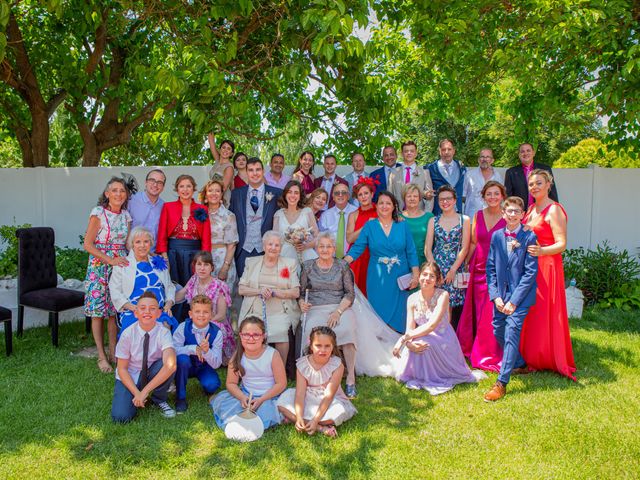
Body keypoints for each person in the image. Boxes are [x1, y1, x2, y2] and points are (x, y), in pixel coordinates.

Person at [519, 169, 576, 380]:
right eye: (531, 184)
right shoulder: (531, 209)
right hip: (530, 266)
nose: (534, 187)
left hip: (547, 267)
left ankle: (548, 356)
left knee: (544, 312)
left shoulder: (554, 210)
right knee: (530, 312)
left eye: (538, 183)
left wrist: (542, 251)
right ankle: (531, 356)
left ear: (548, 184)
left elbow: (561, 244)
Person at [393, 262, 483, 395]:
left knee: (425, 344)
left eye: (431, 276)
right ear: (419, 276)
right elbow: (409, 328)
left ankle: (435, 374)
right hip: (422, 334)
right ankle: (420, 375)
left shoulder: (443, 295)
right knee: (417, 344)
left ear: (437, 280)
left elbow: (431, 326)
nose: (427, 279)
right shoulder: (411, 299)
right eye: (424, 274)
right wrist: (409, 343)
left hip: (443, 338)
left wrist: (402, 340)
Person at [484, 196, 539, 401]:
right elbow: (491, 269)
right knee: (498, 329)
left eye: (517, 211)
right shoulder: (497, 236)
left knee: (511, 332)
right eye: (509, 211)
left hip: (520, 297)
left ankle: (501, 383)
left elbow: (530, 273)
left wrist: (513, 301)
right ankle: (520, 363)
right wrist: (496, 296)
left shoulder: (529, 237)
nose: (513, 214)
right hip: (501, 296)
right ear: (503, 213)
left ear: (523, 215)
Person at [344, 191, 419, 333]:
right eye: (381, 203)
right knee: (378, 311)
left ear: (394, 207)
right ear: (376, 206)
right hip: (377, 278)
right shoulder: (370, 226)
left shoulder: (403, 225)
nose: (384, 206)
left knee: (399, 313)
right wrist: (344, 262)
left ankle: (399, 345)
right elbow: (358, 247)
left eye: (388, 203)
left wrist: (415, 275)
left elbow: (411, 251)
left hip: (399, 277)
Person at [299, 233, 358, 398]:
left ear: (334, 249)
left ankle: (350, 378)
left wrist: (338, 312)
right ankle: (313, 376)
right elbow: (301, 292)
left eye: (328, 246)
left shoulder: (342, 266)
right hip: (316, 307)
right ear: (316, 249)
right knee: (311, 330)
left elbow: (350, 294)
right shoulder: (307, 266)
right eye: (321, 246)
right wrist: (301, 303)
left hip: (340, 307)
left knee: (347, 329)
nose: (325, 250)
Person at [456, 181, 506, 372]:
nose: (492, 197)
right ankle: (472, 346)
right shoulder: (477, 216)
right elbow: (473, 243)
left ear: (502, 196)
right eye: (489, 194)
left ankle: (490, 352)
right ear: (483, 197)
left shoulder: (508, 215)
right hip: (478, 267)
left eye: (496, 194)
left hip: (500, 269)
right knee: (477, 310)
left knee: (491, 311)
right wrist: (466, 264)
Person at [83, 176, 132, 373]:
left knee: (114, 310)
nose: (118, 194)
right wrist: (109, 260)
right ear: (107, 193)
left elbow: (127, 243)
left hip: (119, 264)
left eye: (122, 191)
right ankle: (101, 356)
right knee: (98, 312)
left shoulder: (126, 216)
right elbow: (88, 244)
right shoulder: (98, 213)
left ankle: (113, 352)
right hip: (99, 264)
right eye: (114, 190)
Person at [277, 326, 357, 438]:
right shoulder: (302, 365)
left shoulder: (337, 365)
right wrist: (299, 416)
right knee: (281, 404)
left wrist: (316, 419)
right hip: (308, 396)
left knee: (337, 413)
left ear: (333, 347)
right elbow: (300, 394)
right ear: (311, 346)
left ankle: (296, 419)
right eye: (318, 345)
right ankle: (320, 427)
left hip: (329, 400)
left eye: (327, 346)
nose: (322, 350)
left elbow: (328, 396)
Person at [111, 291, 177, 422]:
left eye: (152, 309)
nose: (147, 312)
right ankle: (133, 396)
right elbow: (122, 369)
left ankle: (159, 399)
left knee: (169, 362)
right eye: (142, 308)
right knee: (121, 417)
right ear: (136, 313)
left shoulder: (163, 332)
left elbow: (171, 365)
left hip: (152, 371)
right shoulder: (127, 334)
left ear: (158, 313)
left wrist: (145, 391)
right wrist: (137, 393)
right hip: (131, 375)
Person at [212, 316, 287, 431]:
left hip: (269, 396)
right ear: (240, 336)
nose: (251, 338)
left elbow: (281, 383)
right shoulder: (237, 357)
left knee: (264, 416)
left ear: (263, 336)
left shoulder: (272, 354)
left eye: (256, 335)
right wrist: (242, 397)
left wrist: (261, 399)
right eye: (246, 334)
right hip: (246, 394)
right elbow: (231, 383)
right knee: (232, 414)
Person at [238, 231, 300, 366]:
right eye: (270, 244)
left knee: (281, 332)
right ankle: (250, 367)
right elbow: (241, 289)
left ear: (281, 248)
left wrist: (275, 292)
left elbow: (295, 291)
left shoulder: (288, 264)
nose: (273, 248)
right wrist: (259, 291)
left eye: (277, 245)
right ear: (264, 246)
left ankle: (280, 370)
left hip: (280, 311)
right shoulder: (251, 262)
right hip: (255, 309)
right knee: (252, 330)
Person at [156, 175, 211, 320]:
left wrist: (204, 259)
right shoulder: (168, 207)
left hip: (195, 254)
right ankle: (173, 323)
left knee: (193, 287)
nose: (185, 190)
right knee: (173, 287)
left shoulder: (202, 209)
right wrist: (164, 256)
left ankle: (193, 321)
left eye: (188, 186)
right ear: (177, 189)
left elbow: (206, 237)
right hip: (173, 253)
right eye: (181, 186)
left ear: (193, 189)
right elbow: (162, 233)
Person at [109, 226, 177, 335]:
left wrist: (168, 303)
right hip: (134, 311)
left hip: (158, 311)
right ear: (132, 245)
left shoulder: (158, 263)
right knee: (138, 332)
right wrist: (135, 308)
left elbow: (169, 286)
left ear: (151, 244)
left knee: (164, 327)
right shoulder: (123, 264)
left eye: (146, 241)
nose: (142, 245)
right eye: (138, 242)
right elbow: (115, 292)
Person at [175, 251, 234, 364]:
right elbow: (180, 295)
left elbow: (221, 315)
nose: (202, 268)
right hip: (197, 320)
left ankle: (210, 356)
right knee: (187, 326)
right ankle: (194, 353)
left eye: (206, 265)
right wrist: (166, 297)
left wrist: (203, 323)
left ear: (212, 267)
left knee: (206, 328)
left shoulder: (220, 285)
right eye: (199, 264)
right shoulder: (194, 280)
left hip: (214, 322)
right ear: (194, 266)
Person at [425, 185, 471, 329]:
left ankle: (448, 338)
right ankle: (435, 337)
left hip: (455, 268)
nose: (445, 202)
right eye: (441, 200)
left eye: (448, 199)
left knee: (450, 306)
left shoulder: (465, 220)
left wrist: (453, 270)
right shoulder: (433, 220)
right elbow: (428, 248)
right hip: (437, 267)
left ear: (455, 200)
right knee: (435, 304)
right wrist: (434, 270)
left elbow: (465, 247)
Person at [229, 157, 282, 278]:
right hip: (243, 249)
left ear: (263, 171)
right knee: (244, 287)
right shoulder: (236, 194)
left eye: (258, 169)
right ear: (246, 172)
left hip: (266, 249)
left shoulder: (277, 193)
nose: (255, 173)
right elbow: (230, 220)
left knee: (266, 286)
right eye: (251, 170)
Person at [173, 294, 224, 413]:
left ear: (211, 315)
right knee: (182, 360)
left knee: (212, 385)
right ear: (190, 314)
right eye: (197, 311)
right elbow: (173, 350)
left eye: (205, 312)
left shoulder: (217, 333)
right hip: (186, 365)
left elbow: (216, 364)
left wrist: (207, 351)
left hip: (203, 366)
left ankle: (205, 383)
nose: (201, 315)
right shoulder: (182, 327)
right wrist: (192, 348)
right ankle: (180, 397)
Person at [199, 178, 239, 293]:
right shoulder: (199, 214)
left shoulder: (228, 216)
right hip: (203, 261)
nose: (214, 194)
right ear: (205, 195)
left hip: (222, 259)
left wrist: (225, 268)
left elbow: (232, 245)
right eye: (210, 190)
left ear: (222, 194)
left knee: (222, 299)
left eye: (217, 191)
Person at [273, 180, 319, 264]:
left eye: (296, 193)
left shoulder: (307, 212)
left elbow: (317, 237)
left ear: (300, 196)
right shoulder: (278, 214)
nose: (293, 195)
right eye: (289, 192)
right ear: (285, 194)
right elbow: (275, 239)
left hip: (306, 255)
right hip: (284, 256)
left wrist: (306, 246)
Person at [345, 178, 376, 294]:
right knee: (357, 291)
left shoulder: (380, 211)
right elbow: (349, 238)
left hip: (374, 255)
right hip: (357, 257)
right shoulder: (353, 215)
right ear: (357, 198)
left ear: (372, 194)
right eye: (360, 195)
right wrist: (366, 226)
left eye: (366, 193)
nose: (363, 197)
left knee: (372, 290)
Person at [505, 143, 559, 209]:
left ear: (533, 153)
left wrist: (555, 208)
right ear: (519, 155)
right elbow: (508, 197)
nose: (525, 153)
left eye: (528, 151)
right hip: (519, 213)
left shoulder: (545, 169)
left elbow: (552, 192)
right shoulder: (511, 172)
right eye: (522, 151)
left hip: (542, 210)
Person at [389, 141, 434, 211]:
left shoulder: (424, 173)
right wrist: (394, 215)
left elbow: (430, 196)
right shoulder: (393, 173)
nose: (409, 153)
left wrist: (427, 215)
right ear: (402, 154)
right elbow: (389, 196)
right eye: (406, 151)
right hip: (399, 214)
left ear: (416, 153)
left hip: (419, 215)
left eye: (412, 151)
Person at [426, 139, 467, 214]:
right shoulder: (430, 168)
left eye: (449, 149)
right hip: (438, 212)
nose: (446, 152)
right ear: (439, 151)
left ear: (454, 151)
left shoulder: (461, 168)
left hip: (457, 212)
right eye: (443, 149)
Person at [400, 183, 434, 268]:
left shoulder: (429, 217)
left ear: (420, 198)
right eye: (409, 196)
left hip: (425, 262)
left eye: (415, 196)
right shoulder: (398, 218)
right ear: (404, 198)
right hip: (404, 262)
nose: (412, 199)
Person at [319, 183, 357, 259]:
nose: (340, 195)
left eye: (343, 192)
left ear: (348, 196)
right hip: (330, 259)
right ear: (333, 197)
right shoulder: (325, 215)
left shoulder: (356, 212)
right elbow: (321, 239)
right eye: (337, 193)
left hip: (353, 258)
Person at [127, 169, 166, 244]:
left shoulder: (164, 206)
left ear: (163, 187)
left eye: (159, 182)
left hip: (155, 253)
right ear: (146, 182)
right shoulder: (131, 201)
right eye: (152, 180)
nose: (155, 185)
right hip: (133, 252)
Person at [462, 148, 504, 217]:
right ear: (478, 160)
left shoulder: (497, 176)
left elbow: (501, 197)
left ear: (492, 160)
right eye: (482, 157)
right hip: (473, 215)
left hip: (492, 216)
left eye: (488, 157)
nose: (484, 159)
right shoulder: (469, 175)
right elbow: (463, 196)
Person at [207, 134, 235, 204]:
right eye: (223, 147)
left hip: (221, 200)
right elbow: (211, 143)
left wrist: (214, 201)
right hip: (212, 197)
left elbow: (224, 188)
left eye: (228, 149)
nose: (225, 150)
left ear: (231, 154)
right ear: (220, 150)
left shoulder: (229, 168)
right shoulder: (217, 161)